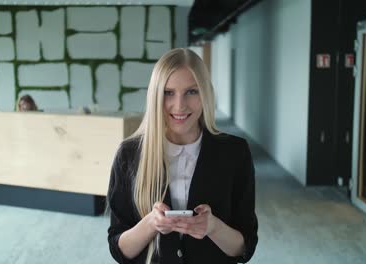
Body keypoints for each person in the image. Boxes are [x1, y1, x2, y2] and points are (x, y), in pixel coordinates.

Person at [107, 48, 258, 264]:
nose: (179, 106)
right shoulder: (129, 155)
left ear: (205, 93)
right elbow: (120, 250)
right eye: (168, 92)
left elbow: (244, 247)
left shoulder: (235, 152)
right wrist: (151, 224)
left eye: (191, 91)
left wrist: (213, 227)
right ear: (155, 96)